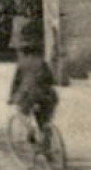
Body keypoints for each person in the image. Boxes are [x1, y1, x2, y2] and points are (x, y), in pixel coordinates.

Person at [8, 18, 59, 157]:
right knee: (45, 121)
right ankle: (46, 143)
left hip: (30, 96)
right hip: (49, 95)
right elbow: (51, 78)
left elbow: (16, 82)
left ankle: (31, 134)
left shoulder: (22, 63)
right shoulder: (42, 61)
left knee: (21, 112)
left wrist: (11, 97)